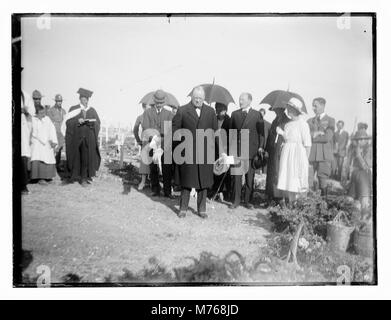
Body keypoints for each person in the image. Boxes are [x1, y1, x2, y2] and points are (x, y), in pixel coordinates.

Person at [172, 86, 218, 218]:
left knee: (203, 182)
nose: (198, 101)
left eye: (200, 98)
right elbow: (175, 132)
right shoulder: (182, 111)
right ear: (192, 97)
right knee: (186, 181)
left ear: (204, 99)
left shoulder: (210, 112)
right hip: (187, 151)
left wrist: (217, 152)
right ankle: (183, 209)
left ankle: (202, 209)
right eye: (196, 98)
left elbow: (215, 133)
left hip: (205, 153)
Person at [229, 93, 265, 210]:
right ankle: (236, 201)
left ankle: (248, 201)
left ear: (250, 101)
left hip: (251, 151)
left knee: (250, 178)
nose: (240, 101)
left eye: (243, 99)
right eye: (239, 99)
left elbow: (261, 134)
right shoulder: (234, 114)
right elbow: (232, 133)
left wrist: (260, 147)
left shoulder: (257, 114)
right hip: (238, 150)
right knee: (237, 177)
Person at [276, 98, 312, 203]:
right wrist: (282, 133)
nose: (288, 111)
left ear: (296, 111)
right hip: (287, 154)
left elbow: (307, 144)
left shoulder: (303, 124)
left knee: (297, 180)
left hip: (298, 155)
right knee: (288, 180)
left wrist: (305, 161)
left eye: (290, 109)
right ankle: (291, 205)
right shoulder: (287, 125)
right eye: (288, 109)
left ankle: (299, 206)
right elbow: (287, 138)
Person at [63, 88, 101, 186]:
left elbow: (98, 123)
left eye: (87, 99)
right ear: (80, 99)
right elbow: (68, 122)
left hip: (87, 139)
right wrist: (77, 121)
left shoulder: (92, 110)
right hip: (76, 138)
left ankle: (84, 179)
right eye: (84, 98)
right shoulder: (73, 109)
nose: (85, 100)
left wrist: (92, 124)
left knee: (85, 158)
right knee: (74, 157)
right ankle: (72, 176)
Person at [142, 90, 174, 198]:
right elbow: (146, 127)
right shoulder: (147, 113)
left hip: (165, 145)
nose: (159, 104)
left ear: (164, 102)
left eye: (161, 102)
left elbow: (169, 131)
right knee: (153, 167)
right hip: (152, 144)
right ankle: (155, 189)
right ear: (154, 101)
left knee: (167, 169)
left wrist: (162, 142)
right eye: (158, 102)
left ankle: (167, 191)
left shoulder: (169, 114)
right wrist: (154, 138)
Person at [307, 97, 335, 196]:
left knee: (323, 179)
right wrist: (317, 133)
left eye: (316, 106)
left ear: (323, 106)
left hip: (324, 155)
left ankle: (324, 204)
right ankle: (307, 203)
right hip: (312, 154)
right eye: (313, 106)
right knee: (308, 178)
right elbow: (306, 135)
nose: (313, 108)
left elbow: (327, 137)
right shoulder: (309, 121)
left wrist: (313, 136)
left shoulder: (330, 120)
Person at [265, 106, 291, 202]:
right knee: (270, 173)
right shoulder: (275, 120)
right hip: (272, 150)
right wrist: (267, 149)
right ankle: (269, 197)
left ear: (282, 109)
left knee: (277, 172)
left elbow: (289, 137)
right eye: (274, 110)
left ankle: (277, 198)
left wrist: (282, 132)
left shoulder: (288, 121)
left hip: (280, 151)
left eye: (277, 110)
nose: (275, 111)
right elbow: (270, 136)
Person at [344, 130, 372, 217]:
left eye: (361, 139)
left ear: (366, 140)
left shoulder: (369, 150)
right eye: (358, 140)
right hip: (355, 174)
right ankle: (353, 220)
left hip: (364, 175)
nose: (359, 141)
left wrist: (358, 154)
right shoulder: (354, 149)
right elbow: (348, 164)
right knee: (350, 199)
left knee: (364, 200)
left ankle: (365, 222)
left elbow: (365, 166)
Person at [208, 102, 232, 201]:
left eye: (221, 109)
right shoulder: (213, 119)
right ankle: (214, 191)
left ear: (225, 110)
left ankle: (224, 192)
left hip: (225, 149)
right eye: (217, 109)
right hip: (214, 148)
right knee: (215, 170)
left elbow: (231, 136)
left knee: (224, 171)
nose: (219, 111)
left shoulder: (229, 120)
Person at [30, 105, 58, 184]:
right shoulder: (33, 120)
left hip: (47, 142)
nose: (43, 114)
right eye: (41, 113)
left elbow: (52, 129)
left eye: (44, 112)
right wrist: (43, 139)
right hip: (37, 143)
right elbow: (34, 132)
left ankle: (47, 177)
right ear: (37, 113)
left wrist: (53, 141)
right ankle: (40, 178)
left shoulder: (47, 119)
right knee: (39, 158)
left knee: (48, 158)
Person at [47, 94, 67, 173]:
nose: (59, 102)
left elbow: (65, 121)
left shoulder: (64, 111)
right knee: (53, 149)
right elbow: (50, 122)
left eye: (60, 101)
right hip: (54, 132)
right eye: (58, 101)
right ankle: (51, 167)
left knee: (60, 149)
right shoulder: (51, 110)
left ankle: (57, 165)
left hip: (61, 133)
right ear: (55, 101)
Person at [133, 103, 151, 190]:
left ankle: (153, 182)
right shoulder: (140, 117)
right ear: (143, 107)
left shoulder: (154, 115)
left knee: (155, 161)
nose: (150, 108)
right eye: (148, 106)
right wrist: (138, 140)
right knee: (144, 162)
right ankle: (143, 181)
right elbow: (135, 130)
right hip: (145, 141)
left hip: (155, 141)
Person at [21, 89, 34, 194]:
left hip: (22, 129)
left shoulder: (25, 95)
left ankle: (23, 186)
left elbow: (31, 112)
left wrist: (25, 110)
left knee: (22, 157)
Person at [259, 107, 271, 174]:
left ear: (264, 114)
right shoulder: (255, 123)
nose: (261, 115)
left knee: (265, 161)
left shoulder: (268, 124)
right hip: (257, 145)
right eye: (259, 114)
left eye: (262, 114)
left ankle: (264, 175)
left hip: (265, 145)